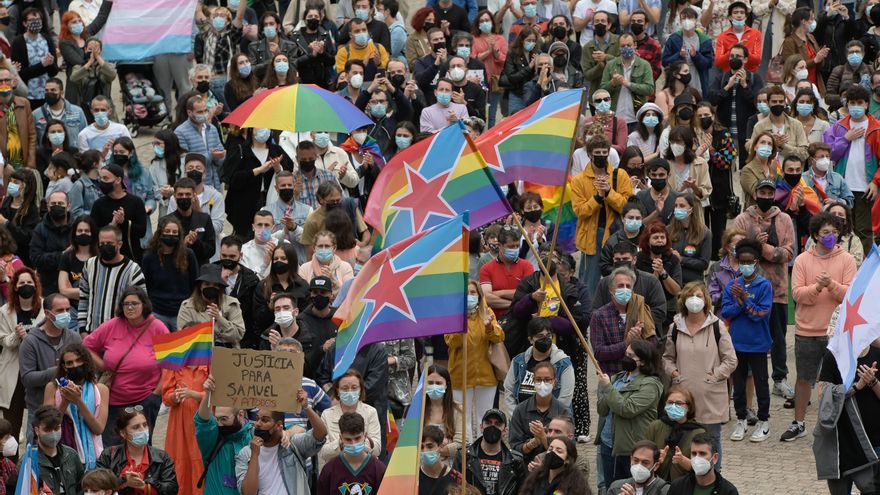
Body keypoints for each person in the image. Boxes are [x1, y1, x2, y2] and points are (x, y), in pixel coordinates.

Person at [784, 212, 856, 442]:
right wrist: (817, 287)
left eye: (835, 232)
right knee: (804, 378)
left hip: (836, 332)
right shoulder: (803, 260)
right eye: (826, 233)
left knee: (835, 382)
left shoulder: (847, 260)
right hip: (807, 331)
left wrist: (831, 285)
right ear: (815, 234)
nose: (831, 237)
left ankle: (833, 424)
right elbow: (797, 294)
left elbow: (850, 295)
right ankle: (799, 423)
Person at [733, 178, 796, 402]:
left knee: (778, 337)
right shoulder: (742, 219)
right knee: (747, 336)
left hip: (777, 291)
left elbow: (787, 254)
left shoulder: (785, 219)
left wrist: (762, 248)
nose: (766, 196)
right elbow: (736, 250)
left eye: (770, 192)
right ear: (755, 193)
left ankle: (779, 379)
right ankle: (744, 380)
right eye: (763, 191)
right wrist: (753, 242)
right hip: (747, 291)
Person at [662, 281, 737, 465]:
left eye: (699, 296)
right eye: (690, 296)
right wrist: (674, 374)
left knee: (712, 442)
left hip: (710, 398)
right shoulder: (675, 327)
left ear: (706, 300)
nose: (694, 300)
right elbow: (667, 358)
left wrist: (715, 375)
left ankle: (714, 478)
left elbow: (731, 359)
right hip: (684, 399)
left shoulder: (716, 326)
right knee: (685, 443)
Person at [84, 286, 167, 446]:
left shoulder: (158, 327)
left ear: (144, 304)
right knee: (112, 449)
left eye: (134, 303)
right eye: (126, 304)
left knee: (140, 447)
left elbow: (169, 365)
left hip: (145, 401)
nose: (130, 307)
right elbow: (86, 346)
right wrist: (102, 365)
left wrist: (156, 395)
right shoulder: (112, 325)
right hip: (113, 401)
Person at [722, 237, 773, 443]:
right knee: (739, 384)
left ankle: (763, 421)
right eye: (741, 261)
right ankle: (741, 419)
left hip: (759, 344)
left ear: (756, 263)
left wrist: (743, 300)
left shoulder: (764, 286)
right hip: (737, 344)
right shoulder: (733, 286)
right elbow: (726, 312)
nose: (744, 265)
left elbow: (761, 314)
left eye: (748, 262)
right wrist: (740, 303)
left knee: (761, 383)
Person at [823, 84, 880, 253]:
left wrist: (876, 182)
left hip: (866, 189)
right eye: (852, 103)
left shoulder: (876, 128)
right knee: (840, 228)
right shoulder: (838, 127)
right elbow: (829, 154)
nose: (856, 106)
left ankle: (863, 270)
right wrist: (845, 139)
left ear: (866, 104)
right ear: (847, 104)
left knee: (864, 231)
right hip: (842, 188)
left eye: (859, 102)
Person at [571, 134, 633, 289]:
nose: (601, 156)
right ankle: (588, 312)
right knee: (589, 282)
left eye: (604, 152)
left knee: (621, 278)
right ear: (589, 154)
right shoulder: (579, 180)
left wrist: (609, 192)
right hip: (592, 235)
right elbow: (580, 211)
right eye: (597, 153)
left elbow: (628, 207)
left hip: (617, 232)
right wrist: (598, 198)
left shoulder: (620, 175)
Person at [597, 339, 664, 483]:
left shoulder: (650, 385)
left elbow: (627, 409)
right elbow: (602, 410)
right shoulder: (618, 378)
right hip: (608, 443)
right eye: (626, 354)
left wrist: (608, 388)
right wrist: (606, 388)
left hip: (630, 449)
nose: (626, 358)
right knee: (612, 487)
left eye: (631, 356)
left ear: (643, 362)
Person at [446, 280, 504, 438]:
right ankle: (464, 452)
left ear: (479, 296)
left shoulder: (487, 312)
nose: (469, 296)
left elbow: (499, 337)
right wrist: (461, 324)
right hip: (460, 375)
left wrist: (489, 327)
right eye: (466, 293)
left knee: (483, 418)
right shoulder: (453, 315)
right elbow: (451, 342)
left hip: (486, 376)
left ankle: (483, 449)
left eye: (472, 293)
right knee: (462, 420)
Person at [19, 293, 82, 435]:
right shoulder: (30, 342)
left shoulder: (75, 338)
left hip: (71, 410)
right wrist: (56, 371)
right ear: (47, 313)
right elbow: (27, 379)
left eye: (68, 309)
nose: (66, 314)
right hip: (39, 411)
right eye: (60, 311)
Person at [43, 342, 108, 470]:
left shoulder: (101, 390)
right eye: (70, 363)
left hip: (93, 456)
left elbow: (98, 429)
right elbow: (48, 425)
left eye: (79, 360)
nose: (75, 365)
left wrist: (78, 401)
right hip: (62, 452)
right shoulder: (52, 388)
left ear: (86, 361)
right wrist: (65, 401)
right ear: (64, 367)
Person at [77, 225, 145, 334]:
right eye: (102, 244)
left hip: (120, 335)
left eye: (109, 244)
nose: (105, 247)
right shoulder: (90, 265)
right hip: (93, 333)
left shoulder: (133, 270)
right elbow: (83, 298)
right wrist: (82, 330)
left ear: (119, 244)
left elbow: (141, 305)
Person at [0, 266, 43, 440]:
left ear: (36, 285)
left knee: (39, 421)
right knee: (12, 425)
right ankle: (11, 464)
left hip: (38, 370)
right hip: (13, 371)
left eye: (29, 282)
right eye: (22, 282)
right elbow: (4, 341)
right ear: (15, 286)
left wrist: (30, 338)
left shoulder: (45, 307)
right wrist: (17, 336)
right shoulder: (5, 311)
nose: (26, 285)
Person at [95, 405, 178, 495]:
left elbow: (172, 489)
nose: (143, 430)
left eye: (145, 425)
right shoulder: (109, 455)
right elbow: (96, 485)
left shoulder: (162, 457)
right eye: (136, 427)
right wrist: (124, 481)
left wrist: (145, 486)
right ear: (123, 433)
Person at [195, 373, 253, 495]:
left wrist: (285, 435)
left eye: (224, 419)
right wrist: (207, 395)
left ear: (241, 415)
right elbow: (203, 421)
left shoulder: (254, 437)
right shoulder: (213, 438)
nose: (220, 424)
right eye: (218, 419)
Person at [709, 43, 763, 170]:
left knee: (745, 169)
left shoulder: (754, 79)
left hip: (746, 133)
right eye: (731, 56)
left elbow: (759, 103)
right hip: (725, 134)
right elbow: (712, 100)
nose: (734, 59)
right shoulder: (721, 79)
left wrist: (745, 85)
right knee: (726, 170)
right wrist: (727, 86)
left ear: (745, 59)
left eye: (738, 56)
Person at [141, 216, 198, 332]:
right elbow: (145, 286)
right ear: (160, 233)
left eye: (174, 232)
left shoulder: (189, 254)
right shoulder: (149, 257)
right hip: (157, 312)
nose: (171, 235)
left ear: (179, 235)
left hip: (182, 312)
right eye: (167, 231)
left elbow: (195, 283)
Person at [509, 360, 570, 466]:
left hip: (555, 468)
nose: (542, 384)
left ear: (554, 382)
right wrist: (533, 443)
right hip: (526, 468)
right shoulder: (520, 410)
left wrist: (543, 437)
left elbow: (568, 451)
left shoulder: (563, 412)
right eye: (538, 380)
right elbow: (515, 448)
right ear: (533, 381)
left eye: (547, 380)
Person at [160, 363, 208, 495]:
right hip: (180, 426)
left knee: (202, 461)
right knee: (180, 464)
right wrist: (174, 396)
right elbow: (166, 397)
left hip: (204, 422)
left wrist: (193, 394)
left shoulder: (210, 361)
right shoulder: (173, 362)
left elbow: (217, 394)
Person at [454, 408, 525, 495]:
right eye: (488, 423)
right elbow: (454, 488)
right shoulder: (463, 456)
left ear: (505, 431)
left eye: (497, 424)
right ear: (481, 427)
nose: (492, 427)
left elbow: (523, 491)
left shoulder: (515, 460)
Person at [642, 385, 705, 482]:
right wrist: (654, 457)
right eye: (670, 403)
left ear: (688, 407)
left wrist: (683, 461)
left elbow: (703, 469)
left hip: (685, 484)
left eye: (679, 403)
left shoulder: (698, 432)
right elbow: (642, 457)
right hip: (656, 482)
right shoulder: (656, 426)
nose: (673, 406)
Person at [89, 164, 148, 261]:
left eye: (106, 178)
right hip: (105, 257)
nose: (102, 182)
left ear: (118, 180)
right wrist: (111, 225)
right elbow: (93, 231)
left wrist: (124, 222)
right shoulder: (98, 204)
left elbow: (141, 231)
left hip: (131, 256)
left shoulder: (135, 202)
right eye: (100, 178)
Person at [178, 264, 245, 348]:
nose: (211, 287)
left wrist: (219, 319)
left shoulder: (231, 303)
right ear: (200, 286)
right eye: (207, 284)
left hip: (227, 353)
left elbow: (238, 336)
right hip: (199, 353)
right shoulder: (187, 306)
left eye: (215, 285)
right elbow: (183, 337)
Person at [479, 225, 535, 319]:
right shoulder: (486, 268)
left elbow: (528, 294)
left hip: (521, 321)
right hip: (496, 323)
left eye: (517, 246)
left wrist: (499, 293)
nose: (515, 249)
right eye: (511, 246)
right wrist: (515, 305)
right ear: (500, 245)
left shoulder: (527, 266)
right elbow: (487, 298)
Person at [636, 221, 683, 332]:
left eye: (662, 237)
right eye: (655, 237)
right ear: (648, 241)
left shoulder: (672, 259)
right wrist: (655, 274)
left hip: (669, 309)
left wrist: (663, 272)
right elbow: (642, 290)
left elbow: (677, 290)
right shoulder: (639, 259)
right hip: (645, 309)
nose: (660, 240)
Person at [174, 95, 226, 190]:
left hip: (215, 183)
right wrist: (211, 155)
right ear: (189, 113)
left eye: (205, 110)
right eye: (199, 112)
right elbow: (186, 162)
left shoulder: (212, 129)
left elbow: (220, 158)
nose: (204, 114)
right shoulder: (180, 132)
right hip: (194, 186)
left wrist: (221, 156)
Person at [31, 405, 85, 494]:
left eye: (56, 428)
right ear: (37, 431)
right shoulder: (29, 461)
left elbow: (81, 487)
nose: (53, 434)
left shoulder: (71, 455)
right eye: (47, 430)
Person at [661, 8, 714, 97]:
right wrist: (679, 55)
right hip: (678, 80)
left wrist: (696, 56)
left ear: (696, 20)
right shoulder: (674, 39)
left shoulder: (704, 40)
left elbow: (708, 63)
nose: (687, 21)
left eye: (690, 18)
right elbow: (665, 61)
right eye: (684, 18)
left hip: (697, 79)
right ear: (680, 21)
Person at [11, 7, 58, 109]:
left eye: (38, 20)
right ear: (24, 23)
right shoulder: (19, 42)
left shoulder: (47, 39)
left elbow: (54, 71)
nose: (36, 22)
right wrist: (42, 65)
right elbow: (21, 73)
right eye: (32, 20)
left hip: (47, 94)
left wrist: (50, 64)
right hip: (29, 96)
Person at [666, 433, 738, 494]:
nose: (697, 458)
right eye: (694, 453)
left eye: (702, 453)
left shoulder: (728, 491)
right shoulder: (678, 487)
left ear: (715, 458)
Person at [29, 191, 71, 294]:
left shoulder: (77, 228)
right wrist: (62, 255)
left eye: (60, 204)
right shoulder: (40, 230)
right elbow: (36, 258)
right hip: (47, 287)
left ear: (68, 206)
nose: (57, 206)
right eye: (53, 204)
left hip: (72, 284)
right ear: (48, 206)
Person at [518, 435, 586, 495]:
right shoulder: (536, 477)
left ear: (567, 459)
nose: (552, 453)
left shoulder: (574, 483)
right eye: (550, 449)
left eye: (559, 451)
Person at [289, 6, 337, 88]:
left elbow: (332, 61)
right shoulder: (295, 37)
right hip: (302, 82)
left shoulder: (325, 35)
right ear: (304, 19)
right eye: (310, 16)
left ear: (320, 19)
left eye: (316, 16)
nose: (313, 18)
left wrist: (322, 53)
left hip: (322, 83)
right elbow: (293, 62)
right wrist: (311, 54)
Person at [0, 168, 39, 266]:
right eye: (11, 181)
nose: (11, 184)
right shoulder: (6, 202)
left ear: (26, 186)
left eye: (16, 182)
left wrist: (6, 223)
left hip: (22, 257)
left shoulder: (31, 210)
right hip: (4, 255)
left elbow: (27, 237)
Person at [499, 26, 540, 114]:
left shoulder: (537, 53)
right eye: (529, 40)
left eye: (533, 41)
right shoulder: (512, 54)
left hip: (532, 94)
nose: (531, 43)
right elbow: (512, 77)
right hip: (516, 94)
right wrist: (529, 67)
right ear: (522, 40)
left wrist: (537, 67)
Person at [32, 78, 87, 143]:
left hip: (72, 152)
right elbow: (33, 139)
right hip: (47, 152)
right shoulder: (36, 114)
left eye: (53, 90)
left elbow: (85, 135)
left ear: (62, 93)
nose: (49, 93)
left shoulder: (77, 111)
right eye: (46, 90)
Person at [581, 10, 619, 100]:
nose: (600, 24)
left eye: (603, 21)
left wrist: (606, 57)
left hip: (616, 94)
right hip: (596, 95)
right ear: (593, 26)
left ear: (609, 25)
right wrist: (600, 66)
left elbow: (623, 63)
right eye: (597, 21)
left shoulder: (618, 41)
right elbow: (587, 75)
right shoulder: (587, 47)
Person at [804, 143, 853, 208]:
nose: (825, 159)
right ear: (812, 159)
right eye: (821, 156)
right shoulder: (803, 179)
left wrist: (836, 202)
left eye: (827, 156)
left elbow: (850, 201)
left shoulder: (837, 178)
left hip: (832, 216)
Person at [707, 227, 746, 308]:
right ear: (727, 247)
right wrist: (728, 294)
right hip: (723, 316)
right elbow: (711, 296)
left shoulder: (752, 266)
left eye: (744, 244)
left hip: (745, 316)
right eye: (738, 244)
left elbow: (759, 294)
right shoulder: (716, 268)